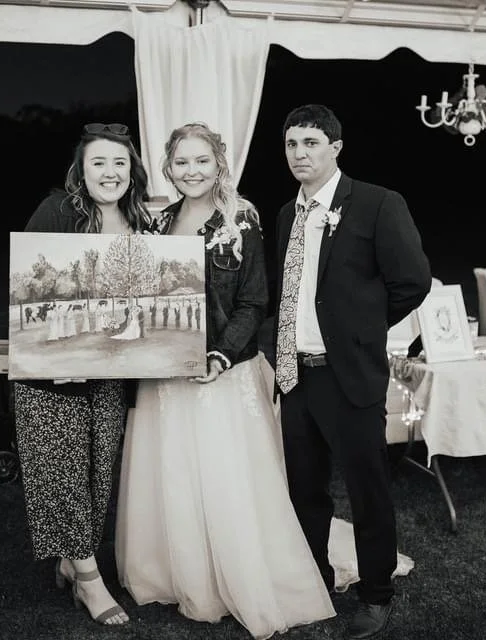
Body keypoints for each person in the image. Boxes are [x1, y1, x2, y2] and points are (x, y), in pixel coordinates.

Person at [116, 122, 335, 640]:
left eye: (202, 161)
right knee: (170, 470)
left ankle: (236, 575)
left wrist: (220, 354)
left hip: (222, 371)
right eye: (181, 163)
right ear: (168, 168)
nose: (192, 171)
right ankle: (175, 571)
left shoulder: (241, 219)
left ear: (219, 164)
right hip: (165, 371)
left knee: (223, 475)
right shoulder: (157, 221)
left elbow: (254, 299)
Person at [273, 104, 431, 640]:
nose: (300, 153)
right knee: (305, 489)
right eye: (292, 144)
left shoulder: (377, 204)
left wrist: (361, 329)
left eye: (311, 143)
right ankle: (314, 579)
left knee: (367, 490)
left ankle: (376, 593)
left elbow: (413, 280)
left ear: (335, 148)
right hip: (296, 379)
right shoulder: (283, 215)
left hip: (351, 375)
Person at [14, 122, 150, 626]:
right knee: (63, 472)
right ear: (81, 170)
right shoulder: (57, 212)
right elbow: (26, 284)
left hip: (111, 373)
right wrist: (56, 356)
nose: (110, 172)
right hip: (54, 374)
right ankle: (92, 581)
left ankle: (72, 563)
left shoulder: (142, 224)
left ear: (131, 171)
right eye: (99, 162)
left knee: (96, 474)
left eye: (119, 163)